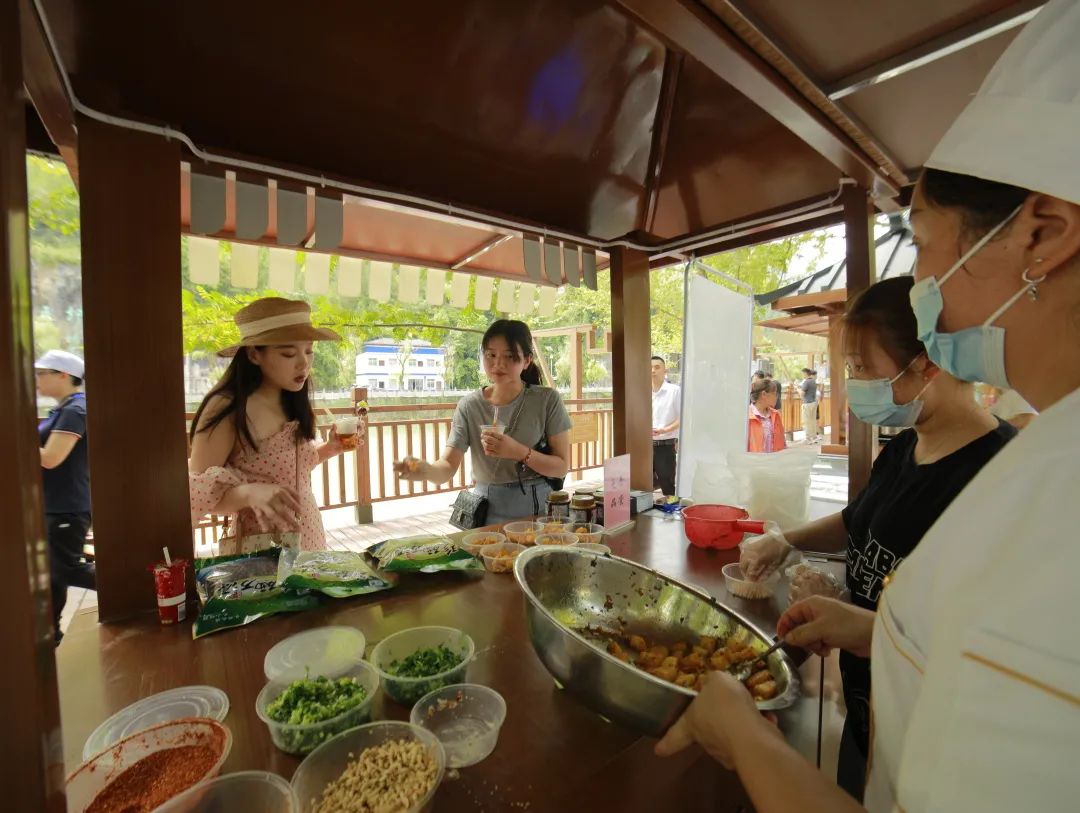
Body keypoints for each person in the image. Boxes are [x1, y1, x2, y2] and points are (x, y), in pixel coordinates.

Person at [655, 4, 1080, 809]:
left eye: (922, 243)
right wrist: (867, 627)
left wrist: (743, 737)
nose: (924, 290)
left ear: (1043, 234)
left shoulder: (1051, 497)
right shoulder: (1045, 457)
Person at [739, 276, 1015, 799]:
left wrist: (863, 625)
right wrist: (785, 540)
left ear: (927, 364)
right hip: (870, 704)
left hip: (931, 734)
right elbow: (855, 521)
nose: (854, 384)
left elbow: (978, 648)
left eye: (862, 369)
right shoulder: (905, 447)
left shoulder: (999, 475)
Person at [189, 297, 352, 552]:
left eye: (309, 350)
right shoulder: (228, 408)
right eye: (288, 353)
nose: (304, 363)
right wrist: (249, 493)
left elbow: (288, 471)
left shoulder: (290, 398)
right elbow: (195, 494)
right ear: (254, 354)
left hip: (309, 538)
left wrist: (330, 448)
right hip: (262, 551)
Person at [394, 320, 571, 524]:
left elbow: (561, 467)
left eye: (510, 356)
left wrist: (519, 452)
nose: (498, 364)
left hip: (538, 510)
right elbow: (448, 465)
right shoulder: (469, 406)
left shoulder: (546, 400)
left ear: (527, 361)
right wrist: (427, 471)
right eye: (491, 355)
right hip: (486, 511)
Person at [35, 349, 96, 645]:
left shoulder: (75, 409)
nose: (36, 380)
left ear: (63, 375)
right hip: (58, 502)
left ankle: (131, 591)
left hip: (68, 504)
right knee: (54, 571)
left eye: (41, 374)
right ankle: (51, 633)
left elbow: (51, 458)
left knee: (63, 567)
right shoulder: (64, 409)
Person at [651, 355, 681, 495]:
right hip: (644, 447)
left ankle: (673, 512)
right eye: (650, 367)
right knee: (642, 485)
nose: (653, 370)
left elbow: (682, 418)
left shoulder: (674, 391)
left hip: (665, 445)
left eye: (657, 367)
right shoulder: (642, 391)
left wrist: (665, 430)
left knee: (668, 485)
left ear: (665, 370)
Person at [747, 378, 786, 453]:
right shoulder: (747, 417)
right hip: (755, 462)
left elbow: (782, 442)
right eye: (774, 394)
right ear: (764, 394)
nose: (777, 397)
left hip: (774, 462)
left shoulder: (776, 415)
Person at [799, 367, 818, 442]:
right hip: (813, 403)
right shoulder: (813, 381)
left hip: (807, 404)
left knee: (806, 421)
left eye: (802, 374)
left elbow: (802, 394)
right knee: (812, 420)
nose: (802, 375)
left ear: (805, 373)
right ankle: (813, 437)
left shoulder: (806, 382)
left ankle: (808, 438)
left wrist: (798, 390)